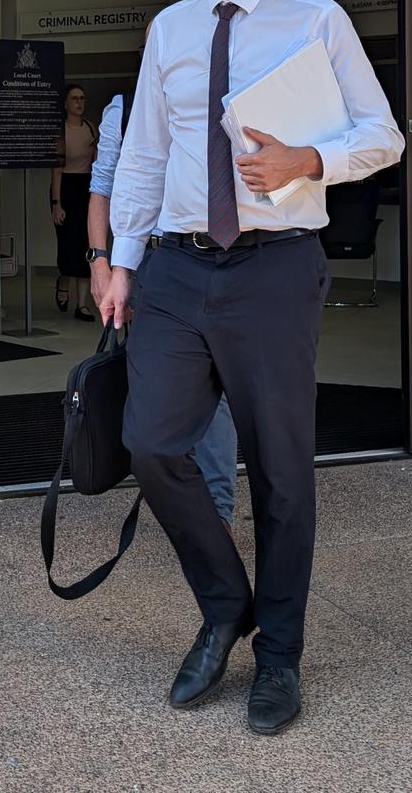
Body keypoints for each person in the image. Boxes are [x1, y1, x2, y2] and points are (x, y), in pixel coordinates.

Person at [100, 0, 405, 736]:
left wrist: (307, 162)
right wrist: (122, 261)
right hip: (176, 268)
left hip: (274, 267)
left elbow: (380, 134)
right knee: (151, 443)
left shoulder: (317, 20)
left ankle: (278, 657)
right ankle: (225, 601)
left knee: (279, 469)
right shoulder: (170, 27)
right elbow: (149, 155)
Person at [87, 85, 239, 530]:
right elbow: (103, 188)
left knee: (216, 386)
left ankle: (216, 512)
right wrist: (102, 263)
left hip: (219, 255)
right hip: (149, 260)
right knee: (156, 384)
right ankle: (175, 491)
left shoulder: (223, 95)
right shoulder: (124, 107)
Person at [51, 84, 97, 322]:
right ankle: (63, 281)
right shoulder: (61, 131)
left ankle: (82, 305)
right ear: (66, 103)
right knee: (68, 244)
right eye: (75, 98)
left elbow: (96, 162)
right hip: (66, 188)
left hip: (86, 187)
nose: (80, 102)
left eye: (82, 98)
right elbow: (57, 170)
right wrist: (56, 203)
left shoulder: (90, 128)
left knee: (86, 243)